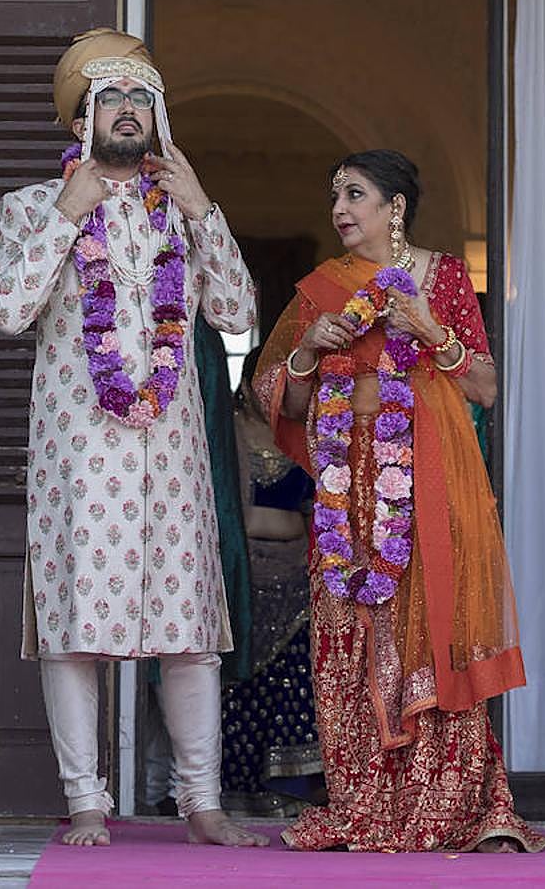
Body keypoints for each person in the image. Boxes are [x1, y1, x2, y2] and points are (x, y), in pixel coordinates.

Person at [0, 28, 264, 848]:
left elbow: (239, 315)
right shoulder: (35, 206)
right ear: (84, 118)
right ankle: (86, 802)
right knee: (74, 633)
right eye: (114, 100)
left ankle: (201, 802)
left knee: (189, 635)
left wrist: (204, 212)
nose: (130, 113)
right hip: (80, 451)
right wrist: (68, 216)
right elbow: (6, 311)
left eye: (143, 100)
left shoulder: (181, 212)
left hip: (171, 459)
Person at [253, 149, 545, 852]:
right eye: (334, 196)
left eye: (354, 195)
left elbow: (483, 386)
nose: (339, 210)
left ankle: (447, 805)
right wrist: (304, 354)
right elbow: (277, 397)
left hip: (425, 479)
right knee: (350, 636)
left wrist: (429, 328)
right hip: (342, 489)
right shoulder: (324, 289)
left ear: (396, 208)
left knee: (433, 628)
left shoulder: (443, 277)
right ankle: (368, 806)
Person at [221, 344, 323, 815]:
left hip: (297, 576)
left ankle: (294, 791)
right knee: (242, 685)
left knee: (296, 680)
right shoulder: (226, 434)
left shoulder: (304, 437)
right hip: (245, 575)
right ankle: (242, 793)